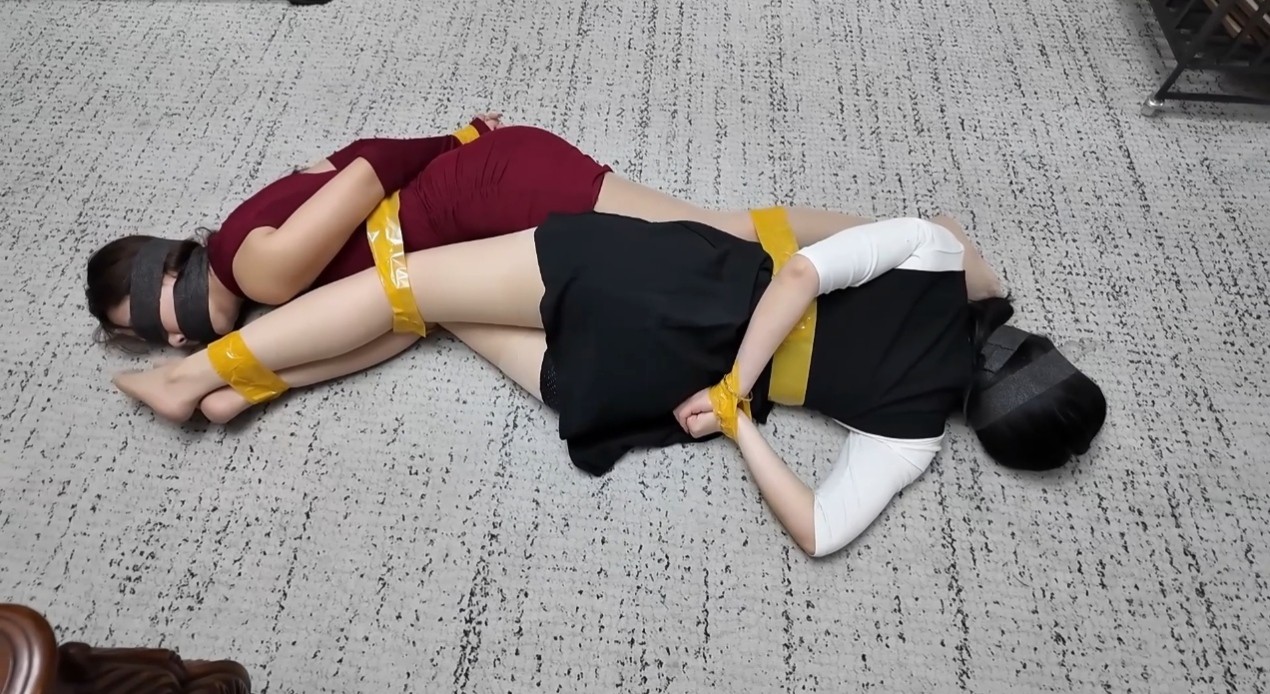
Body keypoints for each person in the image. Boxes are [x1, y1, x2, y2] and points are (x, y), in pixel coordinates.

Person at [110, 211, 1104, 557]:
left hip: (668, 284)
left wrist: (739, 374)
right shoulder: (917, 432)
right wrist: (737, 418)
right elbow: (817, 528)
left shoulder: (936, 252)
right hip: (650, 381)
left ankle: (194, 375)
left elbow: (800, 274)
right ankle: (254, 390)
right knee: (437, 316)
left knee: (406, 287)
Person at [86, 115, 1001, 353]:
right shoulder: (246, 236)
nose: (175, 335)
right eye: (152, 339)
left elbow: (366, 165)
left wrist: (459, 142)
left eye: (155, 317)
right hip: (483, 197)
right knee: (705, 240)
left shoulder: (256, 266)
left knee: (711, 238)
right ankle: (918, 249)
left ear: (170, 267)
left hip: (489, 193)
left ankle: (930, 243)